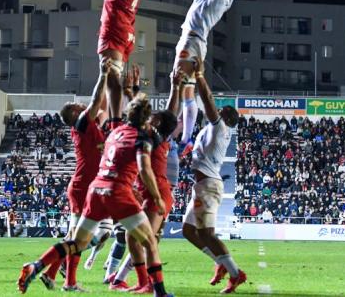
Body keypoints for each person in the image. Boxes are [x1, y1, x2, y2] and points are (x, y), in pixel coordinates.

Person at [19, 97, 173, 297]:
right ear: (145, 118)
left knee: (78, 243)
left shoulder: (115, 133)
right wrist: (157, 198)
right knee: (150, 243)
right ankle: (160, 292)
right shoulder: (142, 137)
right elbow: (144, 168)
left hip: (95, 188)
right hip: (117, 191)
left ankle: (37, 265)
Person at [38, 59, 111, 291]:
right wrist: (103, 73)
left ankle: (53, 274)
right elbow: (97, 101)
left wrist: (112, 76)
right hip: (83, 187)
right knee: (87, 236)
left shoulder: (91, 126)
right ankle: (61, 277)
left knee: (84, 236)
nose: (77, 103)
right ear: (72, 113)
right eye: (73, 104)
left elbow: (104, 105)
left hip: (89, 187)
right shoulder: (80, 122)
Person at [178, 62, 247, 294]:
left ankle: (236, 273)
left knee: (207, 234)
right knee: (188, 231)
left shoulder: (220, 128)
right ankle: (220, 262)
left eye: (224, 111)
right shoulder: (210, 130)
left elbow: (207, 100)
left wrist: (199, 76)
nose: (220, 111)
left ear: (226, 118)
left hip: (208, 184)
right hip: (201, 184)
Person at [174, 0, 241, 149]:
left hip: (191, 41)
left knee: (180, 88)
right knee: (187, 91)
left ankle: (182, 139)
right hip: (195, 41)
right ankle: (186, 138)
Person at [109, 108, 179, 292]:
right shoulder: (154, 137)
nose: (148, 118)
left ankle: (150, 284)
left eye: (153, 117)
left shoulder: (154, 139)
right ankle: (143, 282)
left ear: (157, 123)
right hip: (150, 194)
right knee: (132, 238)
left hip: (157, 195)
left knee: (144, 240)